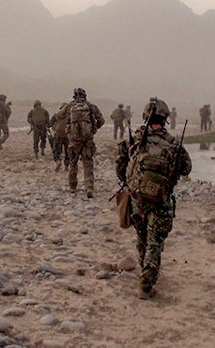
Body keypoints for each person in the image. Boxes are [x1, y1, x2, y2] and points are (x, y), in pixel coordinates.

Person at [115, 97, 191, 300]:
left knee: (142, 237)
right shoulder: (173, 144)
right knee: (155, 242)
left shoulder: (134, 140)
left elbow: (120, 165)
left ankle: (145, 271)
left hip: (136, 199)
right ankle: (146, 285)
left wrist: (130, 182)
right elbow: (186, 169)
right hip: (161, 201)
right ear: (165, 119)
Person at [61, 88, 104, 198]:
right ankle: (89, 187)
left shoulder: (70, 106)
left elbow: (59, 115)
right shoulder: (90, 106)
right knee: (88, 163)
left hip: (74, 140)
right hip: (87, 139)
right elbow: (101, 120)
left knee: (73, 163)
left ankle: (72, 186)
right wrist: (93, 129)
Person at [50, 102, 70, 172]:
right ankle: (66, 166)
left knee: (56, 150)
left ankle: (58, 161)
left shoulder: (56, 115)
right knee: (68, 151)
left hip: (58, 135)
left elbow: (50, 124)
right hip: (67, 135)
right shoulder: (70, 116)